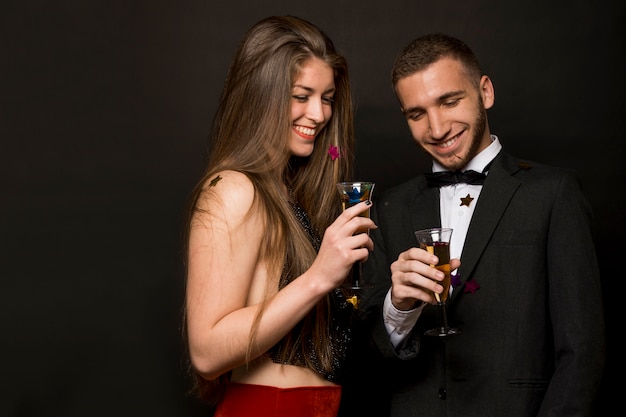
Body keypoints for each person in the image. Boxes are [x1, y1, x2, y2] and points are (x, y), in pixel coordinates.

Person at [343, 33, 605, 417]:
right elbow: (365, 360)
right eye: (417, 114)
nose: (436, 128)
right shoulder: (388, 206)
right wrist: (398, 308)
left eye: (449, 101)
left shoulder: (554, 193)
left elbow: (582, 352)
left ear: (485, 92)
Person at [182, 15, 376, 417]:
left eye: (327, 98)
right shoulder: (233, 188)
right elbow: (206, 351)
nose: (319, 115)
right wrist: (319, 277)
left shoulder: (289, 192)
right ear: (262, 95)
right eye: (301, 95)